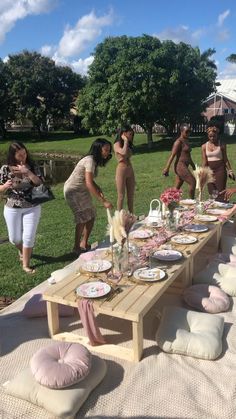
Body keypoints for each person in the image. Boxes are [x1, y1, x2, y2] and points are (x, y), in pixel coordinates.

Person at [64, 138, 113, 254]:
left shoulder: (94, 161)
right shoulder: (89, 160)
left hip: (82, 190)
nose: (108, 153)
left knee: (91, 215)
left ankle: (84, 243)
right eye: (106, 150)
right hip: (73, 190)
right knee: (82, 218)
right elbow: (88, 183)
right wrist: (103, 201)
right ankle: (76, 247)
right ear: (98, 149)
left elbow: (89, 180)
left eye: (109, 150)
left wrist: (97, 187)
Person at [0, 142, 43, 273]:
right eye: (19, 155)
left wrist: (28, 172)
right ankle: (22, 250)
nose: (23, 157)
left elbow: (39, 183)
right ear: (13, 156)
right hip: (12, 207)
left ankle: (26, 264)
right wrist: (5, 186)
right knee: (14, 239)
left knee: (28, 237)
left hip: (32, 206)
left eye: (24, 153)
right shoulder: (5, 169)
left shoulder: (33, 166)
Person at [162, 123, 196, 199]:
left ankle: (168, 201)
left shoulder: (186, 140)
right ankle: (192, 202)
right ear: (181, 131)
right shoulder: (178, 142)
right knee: (193, 182)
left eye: (190, 131)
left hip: (185, 165)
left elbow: (188, 156)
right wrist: (166, 168)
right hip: (180, 166)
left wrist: (193, 165)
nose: (188, 133)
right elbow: (172, 155)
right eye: (186, 131)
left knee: (176, 189)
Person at [201, 125, 235, 200]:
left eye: (214, 136)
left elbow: (225, 159)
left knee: (220, 191)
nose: (212, 138)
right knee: (212, 191)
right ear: (208, 136)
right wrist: (202, 173)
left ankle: (222, 205)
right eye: (210, 136)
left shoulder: (222, 144)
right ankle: (214, 208)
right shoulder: (204, 146)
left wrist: (230, 171)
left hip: (220, 170)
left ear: (217, 135)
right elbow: (204, 161)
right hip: (209, 171)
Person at [114, 125, 135, 212]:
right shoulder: (116, 144)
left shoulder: (128, 144)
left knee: (131, 195)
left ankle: (132, 216)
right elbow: (123, 152)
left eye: (132, 134)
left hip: (129, 169)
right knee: (121, 196)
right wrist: (125, 141)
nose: (131, 136)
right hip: (121, 170)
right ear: (124, 134)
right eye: (130, 134)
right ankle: (119, 218)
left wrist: (127, 142)